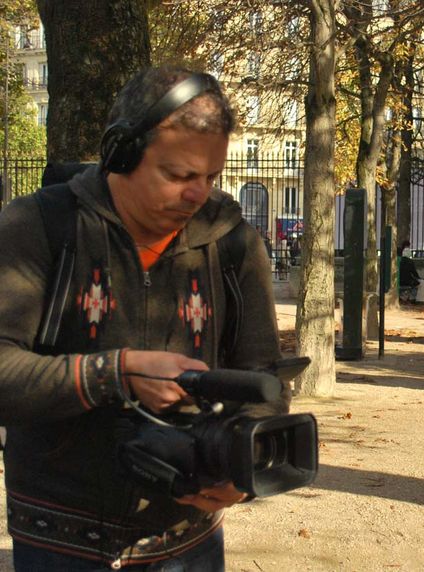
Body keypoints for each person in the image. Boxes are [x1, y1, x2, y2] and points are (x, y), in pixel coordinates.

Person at [0, 67, 288, 570]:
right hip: (60, 545)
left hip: (191, 546)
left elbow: (263, 377)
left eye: (210, 177)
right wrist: (113, 373)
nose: (199, 194)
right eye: (179, 175)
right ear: (122, 154)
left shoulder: (234, 241)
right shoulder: (35, 227)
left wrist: (242, 470)